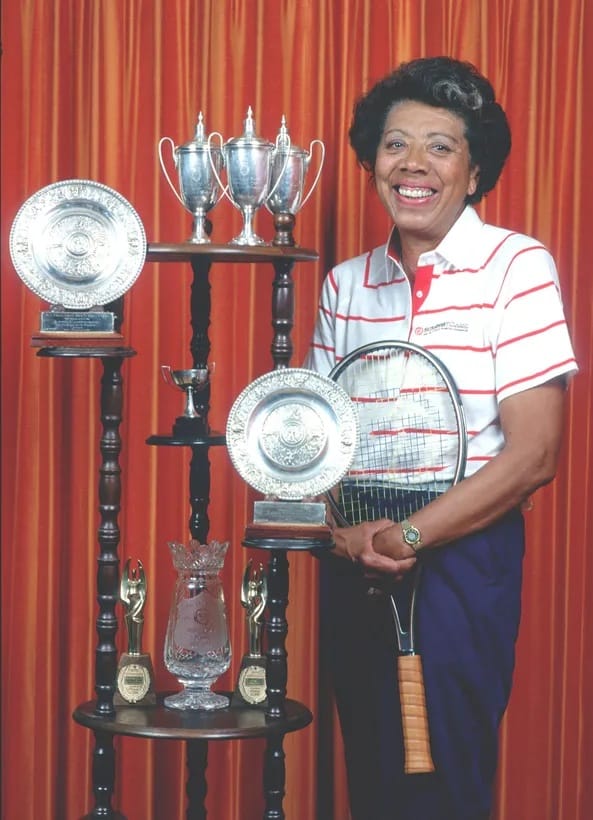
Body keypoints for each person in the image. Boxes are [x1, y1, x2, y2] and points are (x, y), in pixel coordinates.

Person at [305, 56, 577, 820]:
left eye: (439, 145)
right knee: (374, 774)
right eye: (394, 145)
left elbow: (534, 454)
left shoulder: (514, 267)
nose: (412, 164)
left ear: (474, 172)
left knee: (444, 783)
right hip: (359, 547)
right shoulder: (345, 285)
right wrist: (349, 537)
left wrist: (413, 537)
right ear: (371, 163)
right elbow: (319, 441)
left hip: (462, 550)